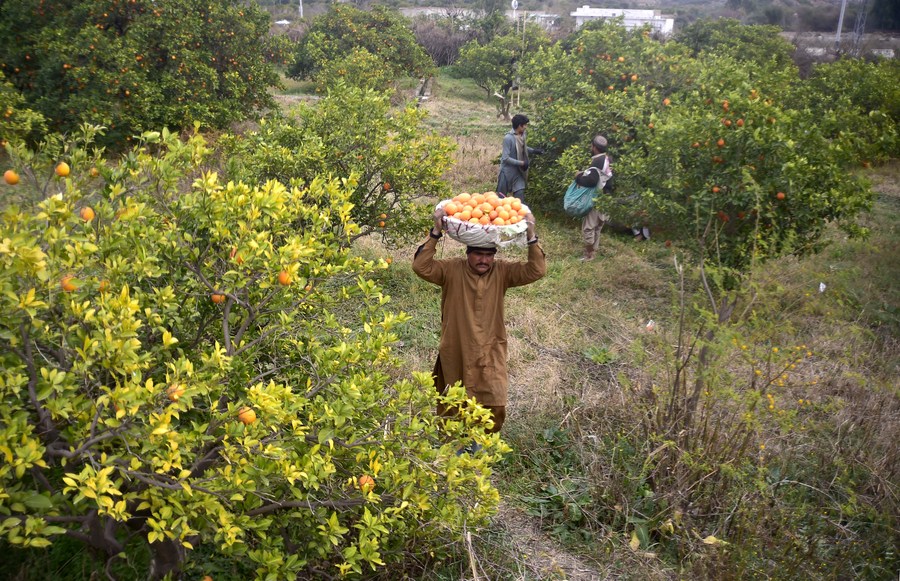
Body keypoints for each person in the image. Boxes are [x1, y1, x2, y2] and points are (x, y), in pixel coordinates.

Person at [412, 208, 546, 436]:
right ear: (467, 253)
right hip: (456, 348)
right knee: (452, 401)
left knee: (493, 399)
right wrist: (435, 232)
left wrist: (531, 234)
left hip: (490, 350)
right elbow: (421, 266)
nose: (484, 260)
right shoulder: (451, 269)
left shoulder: (502, 271)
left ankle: (481, 446)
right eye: (478, 254)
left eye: (489, 255)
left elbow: (537, 270)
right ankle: (453, 448)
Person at [573, 134, 613, 261]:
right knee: (597, 227)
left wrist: (578, 177)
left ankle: (589, 254)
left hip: (597, 198)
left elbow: (591, 181)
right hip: (606, 198)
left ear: (594, 147)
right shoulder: (608, 159)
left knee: (588, 227)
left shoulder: (597, 161)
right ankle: (592, 252)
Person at [497, 114, 544, 201]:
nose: (526, 127)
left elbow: (522, 147)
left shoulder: (523, 135)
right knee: (501, 199)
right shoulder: (508, 138)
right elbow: (505, 158)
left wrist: (534, 151)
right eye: (524, 125)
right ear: (519, 125)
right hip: (507, 173)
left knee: (519, 199)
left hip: (519, 172)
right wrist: (522, 163)